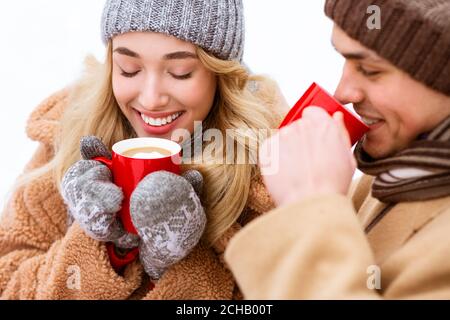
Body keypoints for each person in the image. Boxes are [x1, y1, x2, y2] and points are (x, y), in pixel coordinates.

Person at [0, 0, 286, 299]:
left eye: (180, 72)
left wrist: (175, 262)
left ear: (220, 73)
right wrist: (107, 250)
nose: (150, 100)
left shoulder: (269, 164)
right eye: (129, 69)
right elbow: (8, 283)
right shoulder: (69, 128)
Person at [225, 0, 450, 299]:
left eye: (369, 70)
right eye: (345, 61)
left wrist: (308, 205)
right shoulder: (389, 179)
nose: (342, 93)